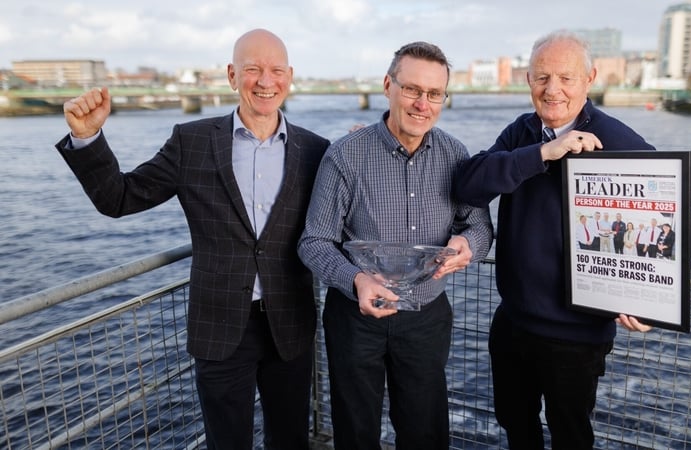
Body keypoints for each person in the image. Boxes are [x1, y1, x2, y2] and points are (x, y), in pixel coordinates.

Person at [55, 29, 330, 450]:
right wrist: (87, 138)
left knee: (291, 440)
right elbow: (120, 198)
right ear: (231, 74)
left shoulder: (317, 150)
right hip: (219, 327)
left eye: (275, 70)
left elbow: (342, 222)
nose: (264, 81)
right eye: (252, 69)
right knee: (226, 443)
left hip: (289, 326)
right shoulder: (192, 141)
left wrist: (364, 152)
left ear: (289, 76)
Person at [452, 31, 691, 450]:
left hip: (576, 336)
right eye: (541, 77)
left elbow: (686, 222)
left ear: (590, 78)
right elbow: (470, 184)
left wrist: (650, 301)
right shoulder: (523, 131)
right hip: (514, 322)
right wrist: (543, 154)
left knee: (571, 436)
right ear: (528, 80)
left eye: (566, 78)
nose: (553, 90)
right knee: (515, 424)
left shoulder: (616, 139)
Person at [297, 41, 493, 450]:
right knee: (355, 432)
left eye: (434, 94)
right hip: (355, 317)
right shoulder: (345, 156)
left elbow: (478, 226)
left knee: (425, 432)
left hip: (425, 317)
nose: (423, 103)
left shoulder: (455, 154)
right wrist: (356, 281)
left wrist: (467, 244)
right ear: (388, 86)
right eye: (412, 90)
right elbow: (314, 241)